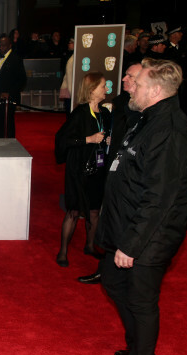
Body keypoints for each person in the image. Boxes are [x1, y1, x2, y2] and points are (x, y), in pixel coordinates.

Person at [97, 58, 187, 355]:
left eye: (137, 83)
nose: (130, 86)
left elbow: (160, 198)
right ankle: (140, 346)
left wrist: (131, 245)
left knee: (141, 300)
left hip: (149, 236)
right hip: (130, 227)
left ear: (154, 90)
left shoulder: (168, 129)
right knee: (112, 281)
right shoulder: (149, 118)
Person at [77, 62, 142, 284]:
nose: (123, 80)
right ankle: (105, 268)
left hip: (131, 173)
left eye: (129, 76)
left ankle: (119, 270)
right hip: (110, 168)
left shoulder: (147, 110)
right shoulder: (121, 103)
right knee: (109, 217)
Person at [54, 72, 111, 267]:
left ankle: (90, 245)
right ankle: (62, 251)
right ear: (92, 89)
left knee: (94, 211)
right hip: (78, 169)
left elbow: (108, 135)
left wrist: (108, 141)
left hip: (98, 168)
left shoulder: (105, 113)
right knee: (73, 211)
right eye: (103, 86)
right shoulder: (79, 113)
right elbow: (62, 140)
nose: (106, 89)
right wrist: (89, 139)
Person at [0, 34, 27, 138]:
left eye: (4, 46)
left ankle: (9, 145)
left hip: (8, 99)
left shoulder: (15, 59)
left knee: (8, 124)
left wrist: (9, 93)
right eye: (0, 45)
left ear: (10, 45)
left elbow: (22, 80)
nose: (1, 48)